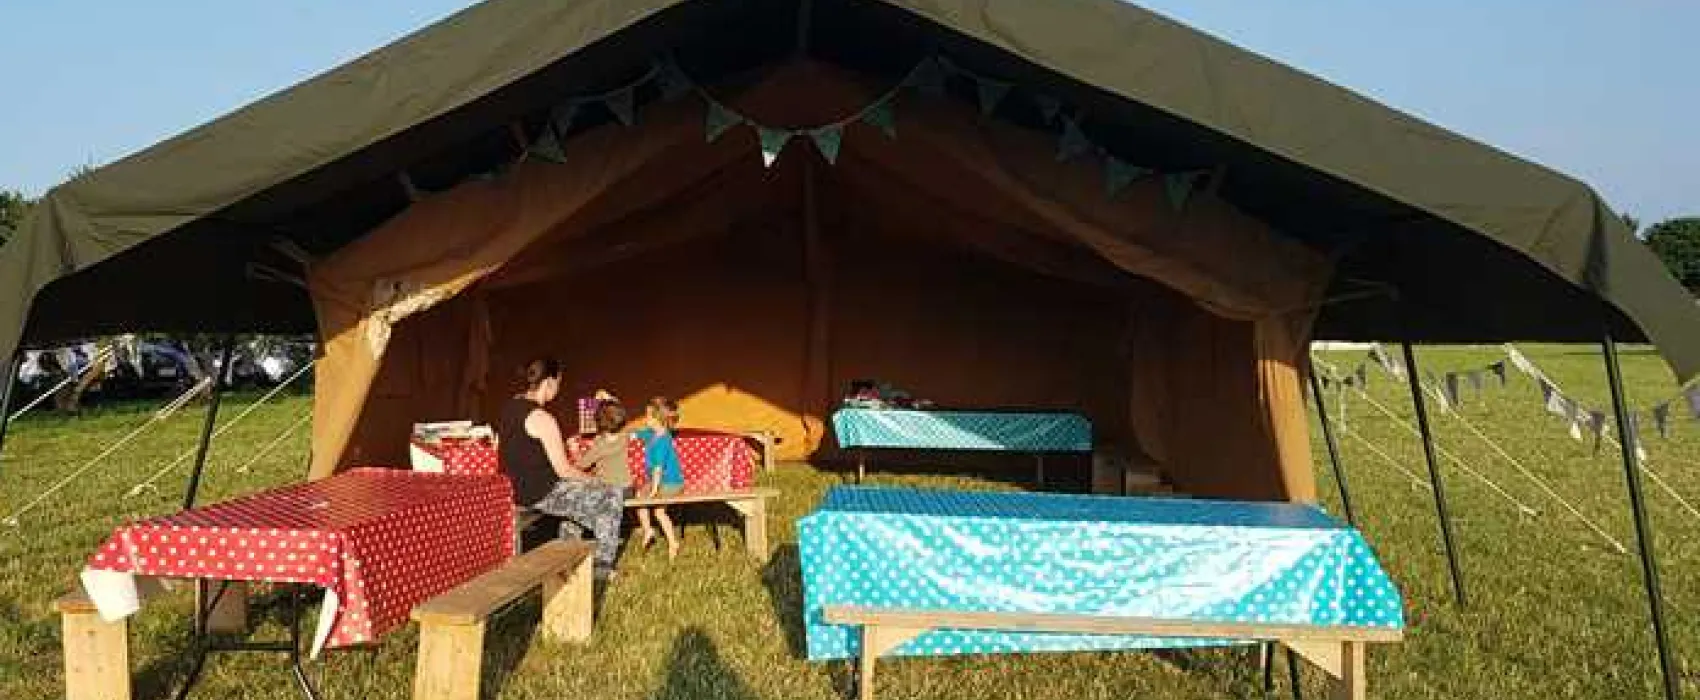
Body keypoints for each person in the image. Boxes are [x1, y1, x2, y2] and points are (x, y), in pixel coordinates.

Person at [496, 358, 625, 580]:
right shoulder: (543, 418)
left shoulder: (510, 407)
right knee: (611, 495)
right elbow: (563, 470)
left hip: (514, 486)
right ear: (549, 382)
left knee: (576, 499)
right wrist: (595, 481)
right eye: (558, 383)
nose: (558, 388)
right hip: (540, 491)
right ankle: (602, 565)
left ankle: (568, 558)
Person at [633, 397, 687, 560]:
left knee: (658, 511)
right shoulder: (652, 434)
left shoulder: (662, 441)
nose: (645, 419)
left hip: (671, 484)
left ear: (658, 420)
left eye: (648, 416)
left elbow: (658, 469)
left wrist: (655, 491)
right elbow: (636, 435)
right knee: (639, 497)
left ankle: (673, 542)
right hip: (659, 482)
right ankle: (648, 529)